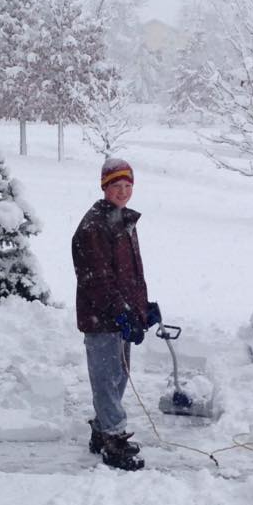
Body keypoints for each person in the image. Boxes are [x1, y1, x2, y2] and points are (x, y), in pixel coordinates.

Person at [71, 157, 161, 470]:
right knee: (107, 379)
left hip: (119, 315)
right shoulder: (94, 226)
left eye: (127, 185)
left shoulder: (120, 220)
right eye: (116, 186)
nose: (123, 191)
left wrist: (141, 308)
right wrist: (120, 312)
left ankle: (102, 429)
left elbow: (128, 274)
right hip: (102, 317)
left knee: (119, 375)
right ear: (104, 187)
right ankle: (112, 438)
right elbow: (97, 278)